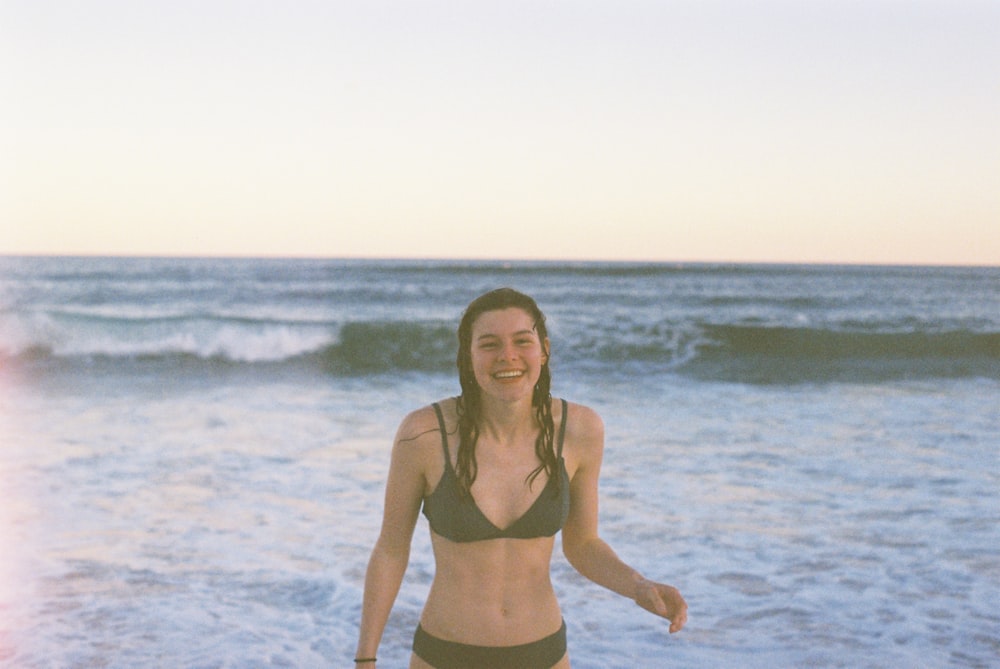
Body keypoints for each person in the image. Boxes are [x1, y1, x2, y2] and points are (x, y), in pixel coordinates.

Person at [354, 288, 687, 668]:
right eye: (489, 344)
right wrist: (366, 659)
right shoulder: (424, 434)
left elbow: (583, 544)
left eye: (522, 341)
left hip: (543, 654)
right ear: (468, 356)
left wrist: (638, 585)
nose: (507, 356)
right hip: (443, 655)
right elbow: (391, 550)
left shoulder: (580, 430)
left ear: (543, 350)